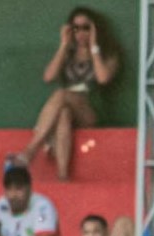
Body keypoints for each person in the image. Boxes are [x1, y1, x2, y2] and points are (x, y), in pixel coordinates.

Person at [8, 7, 119, 182]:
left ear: (95, 29)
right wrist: (63, 45)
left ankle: (31, 150)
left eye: (86, 28)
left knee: (62, 94)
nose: (81, 33)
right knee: (63, 114)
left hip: (91, 111)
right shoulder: (69, 53)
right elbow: (48, 76)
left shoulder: (108, 53)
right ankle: (62, 176)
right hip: (67, 109)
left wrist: (94, 47)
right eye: (76, 28)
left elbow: (103, 78)